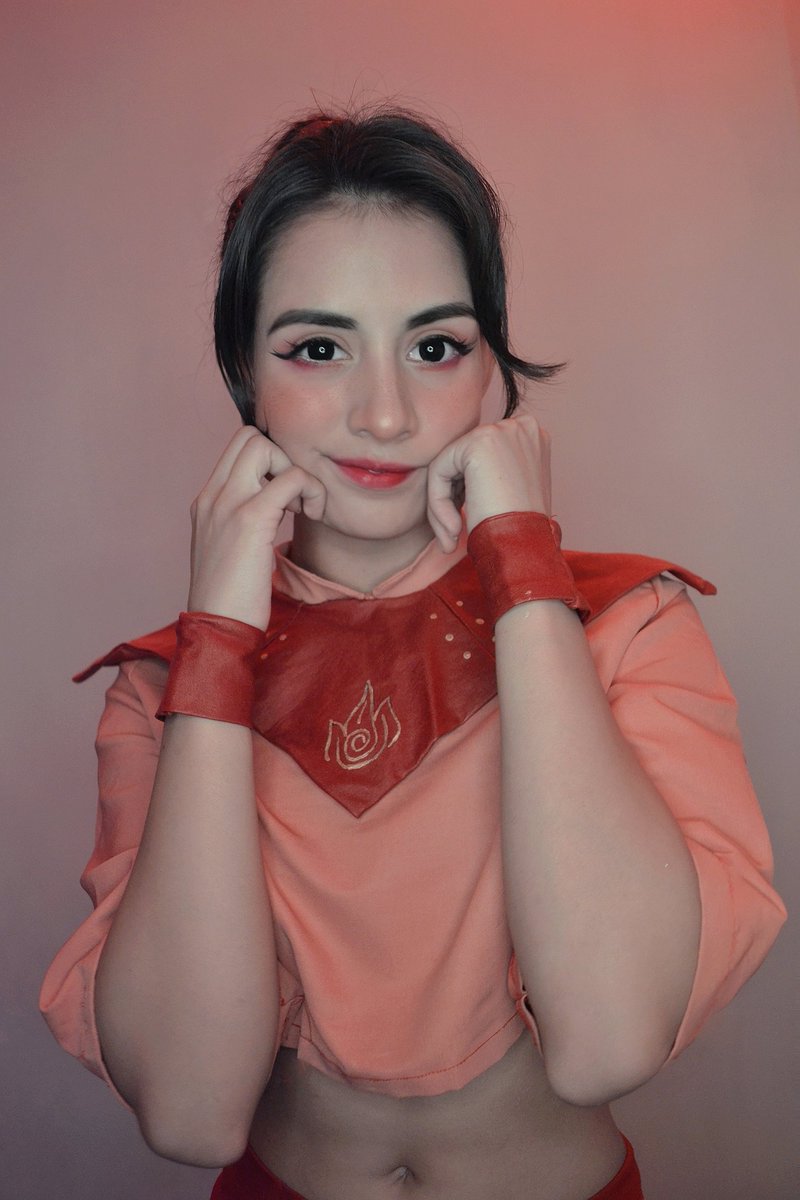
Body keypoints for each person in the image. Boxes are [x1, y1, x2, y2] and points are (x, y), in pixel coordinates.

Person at [40, 107, 786, 1200]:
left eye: (435, 347)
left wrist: (522, 562)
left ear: (489, 369)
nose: (385, 415)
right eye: (318, 347)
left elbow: (608, 1041)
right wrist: (219, 640)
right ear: (243, 370)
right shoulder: (163, 686)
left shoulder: (629, 621)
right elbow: (192, 1112)